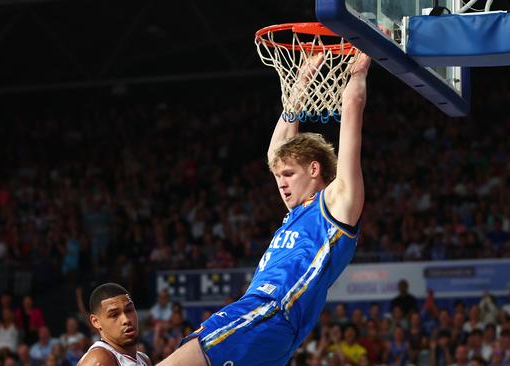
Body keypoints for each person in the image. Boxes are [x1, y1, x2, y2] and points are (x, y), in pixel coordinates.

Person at [157, 53, 371, 366]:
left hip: (267, 312)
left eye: (288, 175)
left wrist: (362, 67)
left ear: (314, 169)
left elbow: (352, 107)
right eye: (278, 176)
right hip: (277, 333)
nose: (280, 183)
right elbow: (276, 151)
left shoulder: (337, 202)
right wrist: (301, 81)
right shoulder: (296, 213)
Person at [77, 283, 151, 366]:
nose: (126, 320)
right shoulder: (98, 359)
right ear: (96, 321)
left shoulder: (144, 359)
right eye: (114, 315)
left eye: (129, 310)